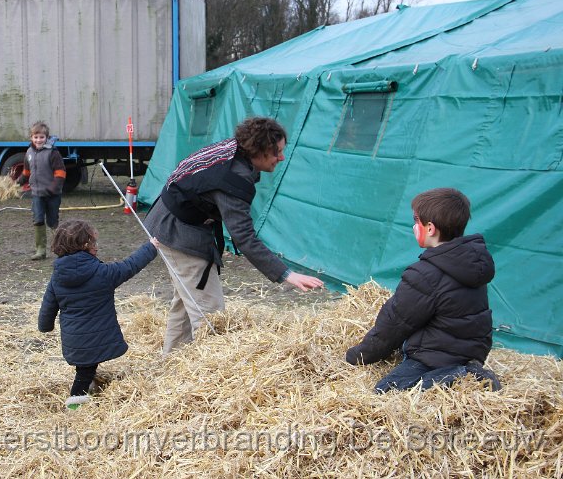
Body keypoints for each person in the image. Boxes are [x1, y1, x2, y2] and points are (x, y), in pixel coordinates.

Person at [144, 116, 324, 355]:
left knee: (187, 302)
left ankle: (171, 365)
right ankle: (209, 379)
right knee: (210, 314)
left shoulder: (235, 148)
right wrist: (286, 274)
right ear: (258, 151)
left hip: (171, 219)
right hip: (176, 230)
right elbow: (244, 238)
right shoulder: (232, 178)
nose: (281, 157)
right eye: (275, 152)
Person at [345, 187, 500, 393]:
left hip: (435, 358)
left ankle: (462, 375)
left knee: (386, 390)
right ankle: (465, 369)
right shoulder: (471, 261)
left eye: (416, 221)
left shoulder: (425, 274)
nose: (413, 226)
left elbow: (394, 324)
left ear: (430, 228)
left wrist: (358, 356)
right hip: (472, 352)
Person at [37, 219, 159, 410]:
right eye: (94, 242)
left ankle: (88, 388)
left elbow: (48, 304)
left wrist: (45, 325)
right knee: (84, 373)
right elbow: (130, 265)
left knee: (86, 367)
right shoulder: (102, 273)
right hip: (93, 339)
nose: (97, 247)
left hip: (73, 339)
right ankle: (75, 405)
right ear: (86, 245)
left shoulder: (58, 276)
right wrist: (151, 248)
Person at [16, 121, 66, 260]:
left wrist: (53, 188)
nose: (39, 140)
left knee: (52, 222)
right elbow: (26, 172)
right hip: (37, 194)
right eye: (36, 137)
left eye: (42, 137)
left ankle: (60, 248)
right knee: (37, 219)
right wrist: (17, 183)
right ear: (31, 138)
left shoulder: (53, 153)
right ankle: (40, 250)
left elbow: (60, 173)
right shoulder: (29, 152)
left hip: (52, 194)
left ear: (47, 138)